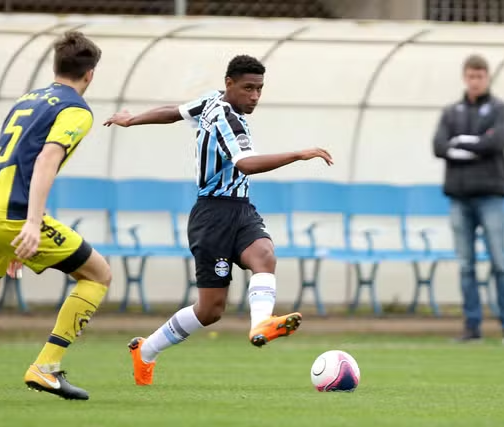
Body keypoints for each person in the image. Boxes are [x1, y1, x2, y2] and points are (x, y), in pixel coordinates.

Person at [104, 54, 333, 386]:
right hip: (211, 215)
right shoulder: (228, 119)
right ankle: (146, 350)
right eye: (248, 88)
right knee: (210, 310)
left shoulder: (211, 100)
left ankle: (261, 323)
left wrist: (133, 119)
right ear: (229, 83)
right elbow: (246, 164)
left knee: (264, 256)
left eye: (259, 89)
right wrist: (297, 154)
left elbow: (175, 111)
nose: (255, 96)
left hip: (241, 208)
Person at [0, 31, 111, 400]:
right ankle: (45, 367)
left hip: (4, 212)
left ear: (55, 66)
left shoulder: (27, 100)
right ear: (90, 74)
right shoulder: (75, 109)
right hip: (15, 215)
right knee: (97, 274)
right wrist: (32, 223)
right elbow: (47, 158)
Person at [432, 54, 504, 344]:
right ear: (465, 77)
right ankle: (472, 329)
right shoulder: (451, 112)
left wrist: (461, 142)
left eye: (480, 76)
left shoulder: (500, 109)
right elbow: (439, 146)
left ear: (487, 77)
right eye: (471, 76)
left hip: (490, 196)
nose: (475, 81)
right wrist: (475, 146)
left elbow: (495, 143)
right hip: (459, 198)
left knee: (500, 263)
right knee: (466, 265)